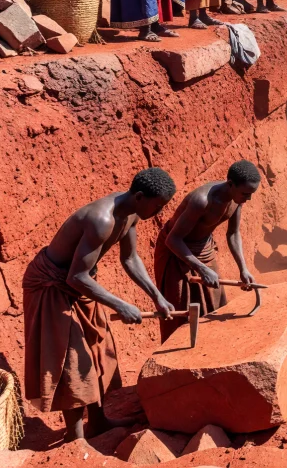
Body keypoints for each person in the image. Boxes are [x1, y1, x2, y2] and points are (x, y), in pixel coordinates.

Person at [23, 168, 176, 441]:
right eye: (158, 205)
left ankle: (97, 423)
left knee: (95, 349)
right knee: (71, 359)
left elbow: (130, 259)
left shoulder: (131, 214)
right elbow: (76, 276)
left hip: (80, 284)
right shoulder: (101, 219)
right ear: (140, 197)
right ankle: (75, 438)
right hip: (51, 287)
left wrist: (157, 296)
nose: (159, 211)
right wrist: (120, 305)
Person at [152, 160, 260, 340]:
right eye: (246, 193)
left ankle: (211, 346)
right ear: (230, 184)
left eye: (251, 194)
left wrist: (243, 269)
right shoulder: (202, 201)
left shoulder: (237, 199)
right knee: (181, 311)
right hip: (176, 253)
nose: (248, 198)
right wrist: (202, 269)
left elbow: (233, 233)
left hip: (204, 249)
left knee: (215, 304)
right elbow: (173, 239)